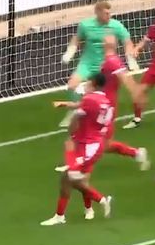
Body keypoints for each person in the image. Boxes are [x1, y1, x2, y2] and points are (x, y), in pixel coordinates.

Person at [43, 74, 113, 226]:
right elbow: (83, 107)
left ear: (93, 84)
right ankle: (62, 215)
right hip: (92, 143)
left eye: (88, 83)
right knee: (69, 179)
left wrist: (72, 134)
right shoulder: (105, 101)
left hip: (88, 146)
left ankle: (101, 200)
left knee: (72, 178)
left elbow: (76, 118)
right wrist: (65, 104)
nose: (86, 85)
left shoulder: (90, 99)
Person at [59, 1, 137, 127]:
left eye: (109, 13)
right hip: (88, 63)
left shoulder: (116, 25)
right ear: (97, 13)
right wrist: (70, 52)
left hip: (107, 65)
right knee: (72, 85)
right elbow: (76, 39)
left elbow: (127, 41)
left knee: (125, 87)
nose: (109, 16)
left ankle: (137, 116)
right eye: (106, 13)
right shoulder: (85, 25)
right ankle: (72, 112)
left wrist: (130, 58)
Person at [96, 35, 150, 170]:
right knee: (98, 139)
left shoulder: (112, 61)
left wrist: (137, 94)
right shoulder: (110, 60)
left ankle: (75, 164)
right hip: (101, 102)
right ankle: (137, 153)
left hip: (105, 106)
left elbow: (125, 79)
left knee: (103, 143)